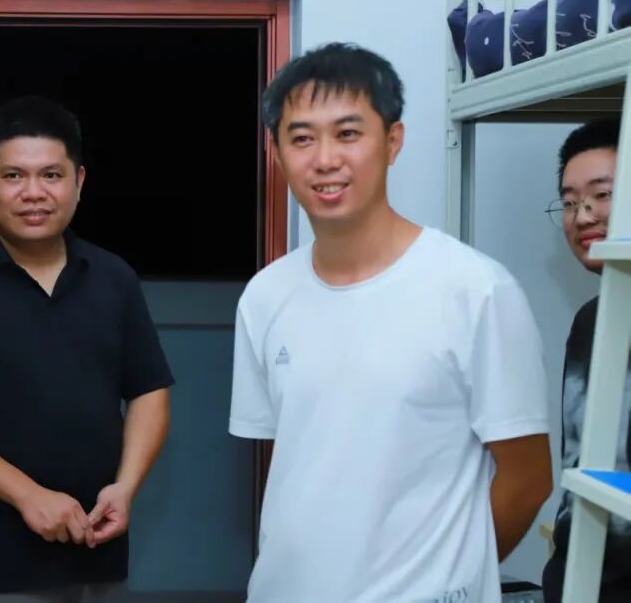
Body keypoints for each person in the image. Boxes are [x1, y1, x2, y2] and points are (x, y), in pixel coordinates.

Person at [228, 43, 553, 602]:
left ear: (393, 141)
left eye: (348, 134)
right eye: (302, 138)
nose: (325, 159)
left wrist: (449, 576)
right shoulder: (265, 296)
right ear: (275, 153)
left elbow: (527, 480)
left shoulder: (475, 289)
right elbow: (299, 463)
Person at [0, 95, 173, 602]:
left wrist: (126, 487)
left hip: (97, 549)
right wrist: (27, 495)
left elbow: (149, 390)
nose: (33, 193)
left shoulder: (113, 278)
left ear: (79, 181)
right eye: (14, 176)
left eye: (51, 175)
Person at [541, 118, 631, 603]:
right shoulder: (591, 321)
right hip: (577, 582)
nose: (583, 216)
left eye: (603, 195)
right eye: (571, 202)